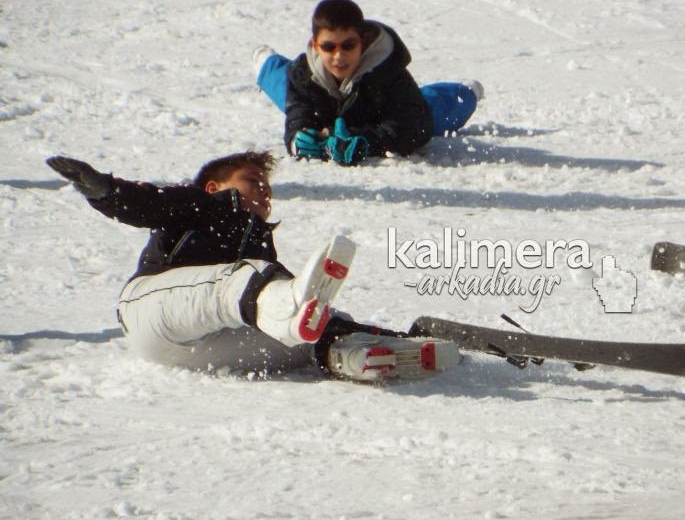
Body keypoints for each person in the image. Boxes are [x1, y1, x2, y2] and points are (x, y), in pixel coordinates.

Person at [44, 152, 458, 380]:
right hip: (153, 316)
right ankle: (291, 309)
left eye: (268, 186)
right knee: (250, 283)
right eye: (252, 180)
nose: (264, 191)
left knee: (306, 327)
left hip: (209, 349)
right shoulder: (195, 206)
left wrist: (368, 330)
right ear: (213, 187)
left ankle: (354, 354)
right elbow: (148, 203)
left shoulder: (259, 244)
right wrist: (105, 190)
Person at [254, 0, 483, 165]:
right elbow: (297, 117)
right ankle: (267, 63)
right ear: (315, 45)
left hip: (382, 117)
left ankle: (469, 92)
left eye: (348, 45)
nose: (338, 56)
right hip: (325, 107)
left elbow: (415, 125)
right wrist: (300, 138)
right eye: (328, 47)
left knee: (434, 110)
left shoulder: (388, 70)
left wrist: (367, 141)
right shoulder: (302, 73)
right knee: (282, 86)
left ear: (362, 42)